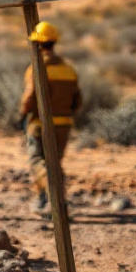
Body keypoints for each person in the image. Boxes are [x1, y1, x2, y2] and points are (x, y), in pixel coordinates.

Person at [19, 21, 82, 214]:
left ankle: (56, 198)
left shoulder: (37, 68)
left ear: (37, 44)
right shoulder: (68, 69)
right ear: (54, 42)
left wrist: (22, 114)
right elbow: (77, 100)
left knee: (37, 161)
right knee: (54, 162)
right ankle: (44, 200)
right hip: (63, 125)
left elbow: (30, 97)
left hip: (40, 125)